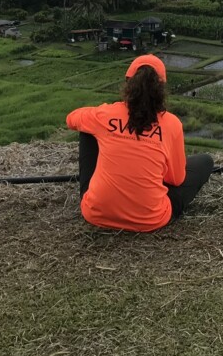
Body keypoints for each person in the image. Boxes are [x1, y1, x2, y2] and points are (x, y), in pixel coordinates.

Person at [66, 54, 213, 232]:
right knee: (205, 161)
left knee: (87, 128)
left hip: (96, 214)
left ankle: (101, 197)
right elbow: (176, 179)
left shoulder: (104, 115)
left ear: (128, 84)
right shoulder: (171, 124)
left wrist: (103, 116)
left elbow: (71, 119)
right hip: (151, 219)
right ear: (161, 89)